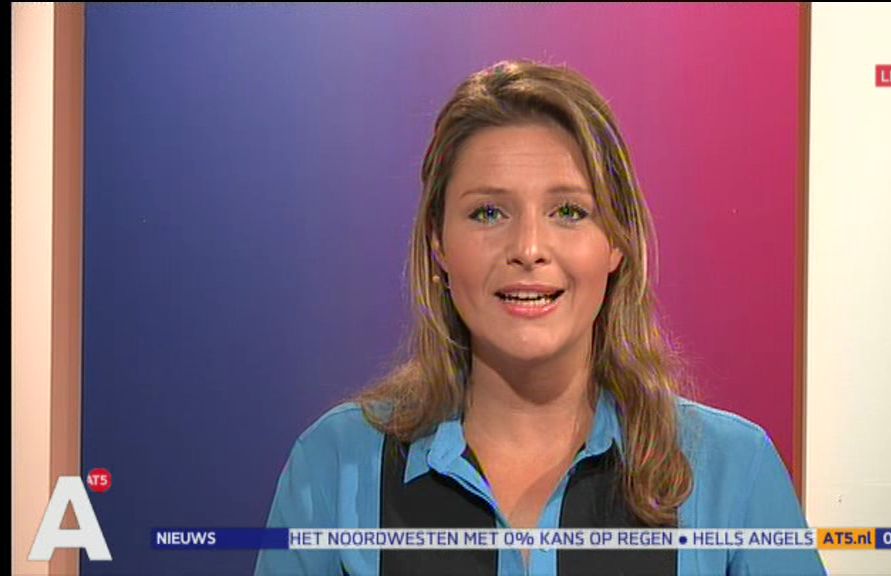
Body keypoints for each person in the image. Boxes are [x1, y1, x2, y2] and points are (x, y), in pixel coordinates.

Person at [254, 59, 826, 576]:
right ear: (439, 244)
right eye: (488, 212)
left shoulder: (731, 470)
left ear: (616, 244)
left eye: (569, 211)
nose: (529, 248)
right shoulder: (336, 464)